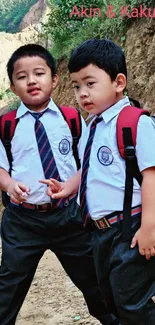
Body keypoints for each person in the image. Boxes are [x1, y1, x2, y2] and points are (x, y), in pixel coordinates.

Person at [0, 44, 121, 325]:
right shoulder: (7, 126)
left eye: (39, 73)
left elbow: (87, 162)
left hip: (70, 217)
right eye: (22, 76)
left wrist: (70, 186)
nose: (31, 81)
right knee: (7, 289)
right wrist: (9, 186)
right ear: (12, 86)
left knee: (96, 283)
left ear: (54, 79)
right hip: (23, 221)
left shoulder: (72, 119)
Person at [41, 39, 155, 325]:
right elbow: (90, 168)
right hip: (100, 232)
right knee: (110, 297)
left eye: (90, 83)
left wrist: (150, 228)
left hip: (131, 226)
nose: (82, 93)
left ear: (118, 82)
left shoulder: (134, 123)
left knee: (130, 299)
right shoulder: (92, 125)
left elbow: (152, 175)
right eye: (76, 86)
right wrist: (68, 186)